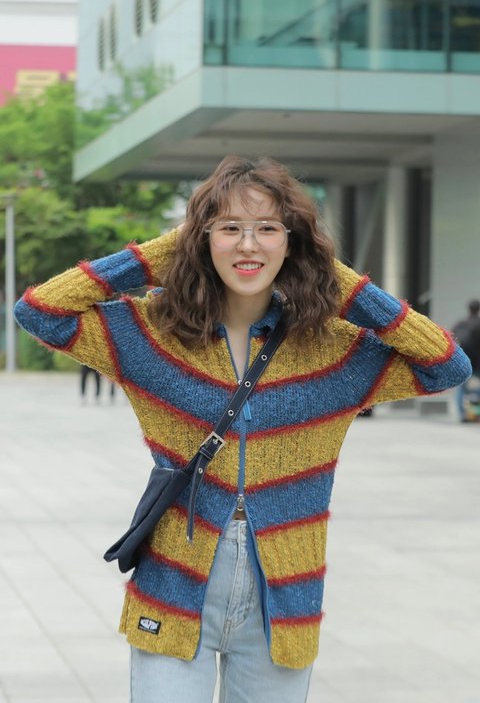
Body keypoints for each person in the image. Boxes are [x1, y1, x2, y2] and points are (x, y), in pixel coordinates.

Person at [14, 155, 471, 703]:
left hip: (284, 598)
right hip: (174, 586)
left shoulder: (331, 352)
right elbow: (41, 312)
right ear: (201, 238)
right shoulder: (154, 335)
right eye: (229, 228)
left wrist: (337, 279)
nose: (248, 245)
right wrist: (164, 252)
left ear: (292, 242)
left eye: (268, 229)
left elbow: (446, 365)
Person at [452, 299, 480, 421]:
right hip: (477, 362)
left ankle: (463, 415)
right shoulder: (478, 324)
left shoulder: (460, 324)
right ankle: (475, 414)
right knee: (477, 390)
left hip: (462, 361)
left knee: (461, 389)